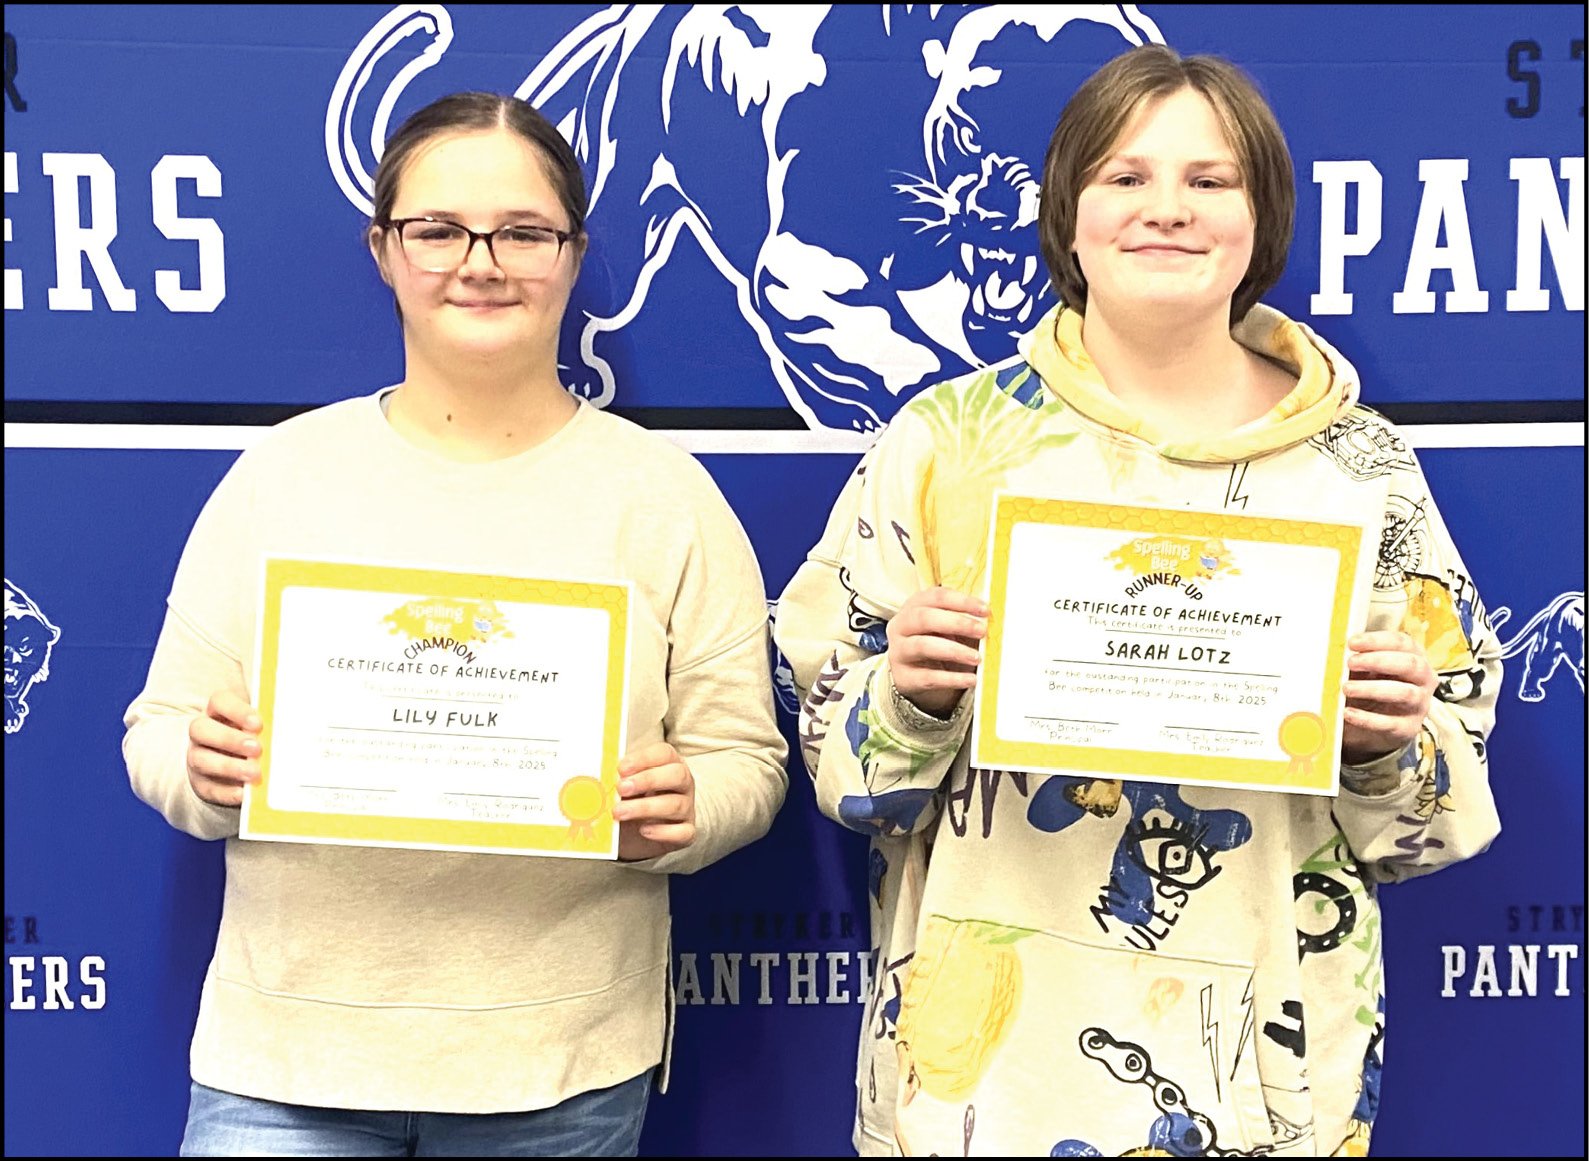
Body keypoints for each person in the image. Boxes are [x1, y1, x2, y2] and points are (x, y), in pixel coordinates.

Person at [773, 45, 1501, 1158]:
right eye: (1124, 177)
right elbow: (843, 771)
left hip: (1267, 1075)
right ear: (1066, 214)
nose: (1167, 208)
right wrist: (908, 697)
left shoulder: (1362, 470)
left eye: (1209, 180)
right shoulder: (943, 444)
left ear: (1260, 220)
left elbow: (1432, 823)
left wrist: (1384, 744)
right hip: (982, 1089)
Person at [123, 91, 787, 1157]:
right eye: (437, 230)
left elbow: (744, 763)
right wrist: (200, 771)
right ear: (384, 250)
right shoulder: (281, 477)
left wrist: (686, 809)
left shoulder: (663, 497)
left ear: (573, 255)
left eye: (523, 232)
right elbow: (156, 734)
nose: (481, 263)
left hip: (559, 1067)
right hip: (286, 1063)